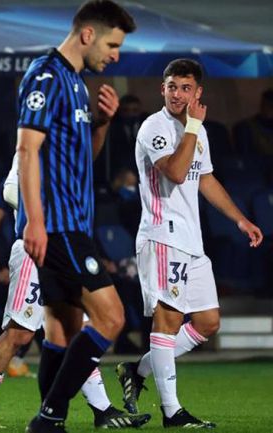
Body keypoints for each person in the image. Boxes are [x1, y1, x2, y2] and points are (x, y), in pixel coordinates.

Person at [116, 58, 263, 428]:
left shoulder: (197, 132)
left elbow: (205, 179)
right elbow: (178, 172)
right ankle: (172, 412)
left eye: (185, 88)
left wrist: (240, 218)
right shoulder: (156, 127)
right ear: (161, 89)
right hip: (162, 236)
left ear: (198, 92)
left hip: (191, 241)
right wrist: (194, 127)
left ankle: (137, 371)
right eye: (171, 87)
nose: (177, 94)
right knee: (167, 321)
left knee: (208, 322)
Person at [13, 2, 136, 432]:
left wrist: (100, 125)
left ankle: (53, 422)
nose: (116, 55)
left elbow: (80, 160)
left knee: (63, 333)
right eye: (113, 44)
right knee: (112, 317)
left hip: (71, 224)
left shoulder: (77, 84)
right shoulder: (46, 76)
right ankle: (48, 418)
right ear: (88, 35)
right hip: (58, 226)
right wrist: (35, 221)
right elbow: (27, 150)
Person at [0, 173, 150, 430]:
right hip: (33, 250)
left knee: (76, 331)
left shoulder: (59, 154)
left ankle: (103, 410)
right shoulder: (30, 145)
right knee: (19, 334)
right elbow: (9, 191)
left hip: (62, 249)